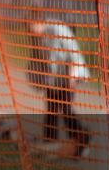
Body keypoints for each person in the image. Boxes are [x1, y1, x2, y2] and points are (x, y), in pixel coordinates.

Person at [28, 21, 91, 159]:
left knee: (65, 108)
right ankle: (50, 142)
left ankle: (81, 138)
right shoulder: (38, 37)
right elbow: (40, 62)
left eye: (32, 26)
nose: (31, 30)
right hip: (54, 78)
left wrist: (71, 78)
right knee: (51, 108)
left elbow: (73, 56)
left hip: (69, 74)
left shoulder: (57, 30)